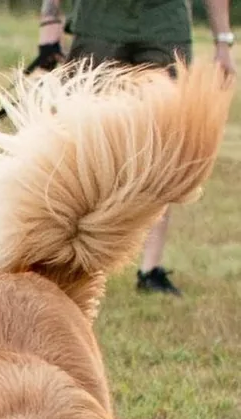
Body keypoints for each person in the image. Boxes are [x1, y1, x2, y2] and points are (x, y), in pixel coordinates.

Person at [38, 0, 236, 295]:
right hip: (98, 21)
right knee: (79, 140)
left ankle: (150, 269)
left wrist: (223, 41)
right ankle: (63, 258)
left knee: (165, 142)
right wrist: (49, 21)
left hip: (164, 21)